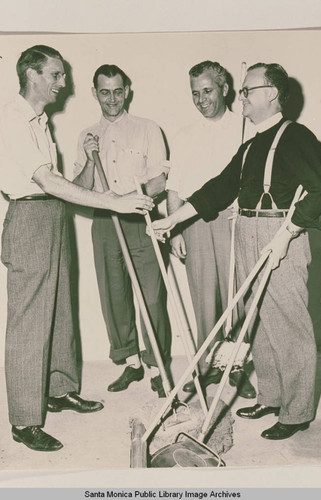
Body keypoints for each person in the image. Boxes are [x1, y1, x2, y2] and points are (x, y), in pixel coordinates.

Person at [153, 62, 321, 440]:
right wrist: (175, 219)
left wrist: (289, 232)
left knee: (289, 321)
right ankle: (272, 395)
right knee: (258, 318)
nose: (242, 96)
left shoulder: (296, 136)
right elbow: (218, 189)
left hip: (281, 232)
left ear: (271, 94)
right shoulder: (250, 145)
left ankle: (296, 411)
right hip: (246, 229)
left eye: (247, 90)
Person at [0, 45, 154, 453]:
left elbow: (59, 184)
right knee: (30, 324)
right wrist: (114, 201)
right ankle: (25, 420)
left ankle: (59, 389)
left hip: (53, 216)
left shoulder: (40, 120)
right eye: (55, 74)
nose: (62, 83)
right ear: (32, 75)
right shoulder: (12, 119)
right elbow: (45, 181)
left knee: (62, 311)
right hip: (31, 216)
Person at [73, 64, 171, 397]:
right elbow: (79, 187)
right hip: (104, 222)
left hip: (139, 219)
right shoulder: (87, 136)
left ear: (126, 90)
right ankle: (132, 364)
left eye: (118, 91)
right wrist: (89, 159)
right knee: (113, 296)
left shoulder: (147, 128)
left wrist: (132, 198)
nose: (112, 99)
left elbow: (159, 179)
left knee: (152, 297)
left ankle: (157, 367)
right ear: (94, 93)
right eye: (105, 92)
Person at [166, 60, 255, 399]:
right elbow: (175, 187)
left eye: (207, 91)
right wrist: (175, 230)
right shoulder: (185, 134)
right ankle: (205, 370)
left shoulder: (245, 127)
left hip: (233, 220)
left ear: (225, 89)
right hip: (194, 223)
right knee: (204, 300)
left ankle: (236, 369)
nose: (201, 100)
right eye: (195, 94)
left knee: (238, 300)